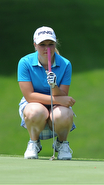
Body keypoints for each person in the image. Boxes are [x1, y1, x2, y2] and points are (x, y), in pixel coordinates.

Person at [18, 26, 76, 160]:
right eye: (42, 44)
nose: (47, 49)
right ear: (35, 45)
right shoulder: (25, 63)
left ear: (55, 44)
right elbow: (29, 96)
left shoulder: (65, 64)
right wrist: (59, 100)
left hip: (56, 104)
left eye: (51, 44)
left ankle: (62, 144)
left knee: (65, 114)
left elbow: (62, 94)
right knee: (35, 111)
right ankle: (33, 142)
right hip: (33, 103)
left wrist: (54, 86)